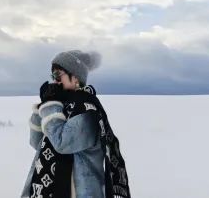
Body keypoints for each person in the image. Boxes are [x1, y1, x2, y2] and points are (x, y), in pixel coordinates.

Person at [21, 50, 131, 198]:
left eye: (58, 75)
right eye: (52, 75)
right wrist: (42, 106)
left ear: (76, 78)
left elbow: (62, 143)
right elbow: (37, 142)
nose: (55, 81)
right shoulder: (61, 106)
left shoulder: (87, 110)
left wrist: (50, 106)